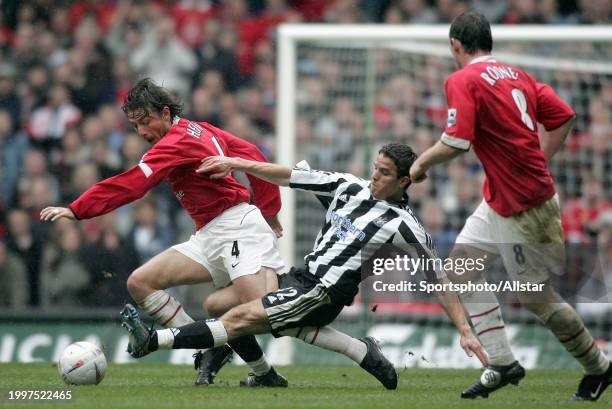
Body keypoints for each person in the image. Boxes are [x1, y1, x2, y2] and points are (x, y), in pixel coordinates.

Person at [120, 143, 488, 389]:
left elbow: (440, 279)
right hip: (300, 276)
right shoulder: (348, 187)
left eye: (385, 173)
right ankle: (359, 351)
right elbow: (287, 176)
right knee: (218, 304)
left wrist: (464, 330)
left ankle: (151, 341)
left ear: (405, 182)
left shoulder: (405, 226)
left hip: (322, 293)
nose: (375, 177)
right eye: (375, 168)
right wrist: (236, 163)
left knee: (239, 319)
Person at [409, 10, 611, 401]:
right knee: (459, 272)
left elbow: (456, 142)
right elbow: (564, 116)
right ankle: (502, 362)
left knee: (537, 298)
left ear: (455, 45)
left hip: (524, 205)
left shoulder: (462, 79)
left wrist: (420, 164)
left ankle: (599, 367)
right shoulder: (518, 75)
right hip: (502, 198)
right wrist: (540, 156)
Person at [40, 78, 287, 387]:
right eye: (135, 126)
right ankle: (229, 356)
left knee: (264, 310)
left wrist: (78, 208)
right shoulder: (200, 128)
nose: (142, 132)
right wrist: (270, 209)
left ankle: (340, 328)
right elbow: (251, 152)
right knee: (141, 282)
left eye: (146, 122)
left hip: (235, 227)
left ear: (165, 113)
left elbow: (133, 183)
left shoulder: (175, 142)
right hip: (209, 233)